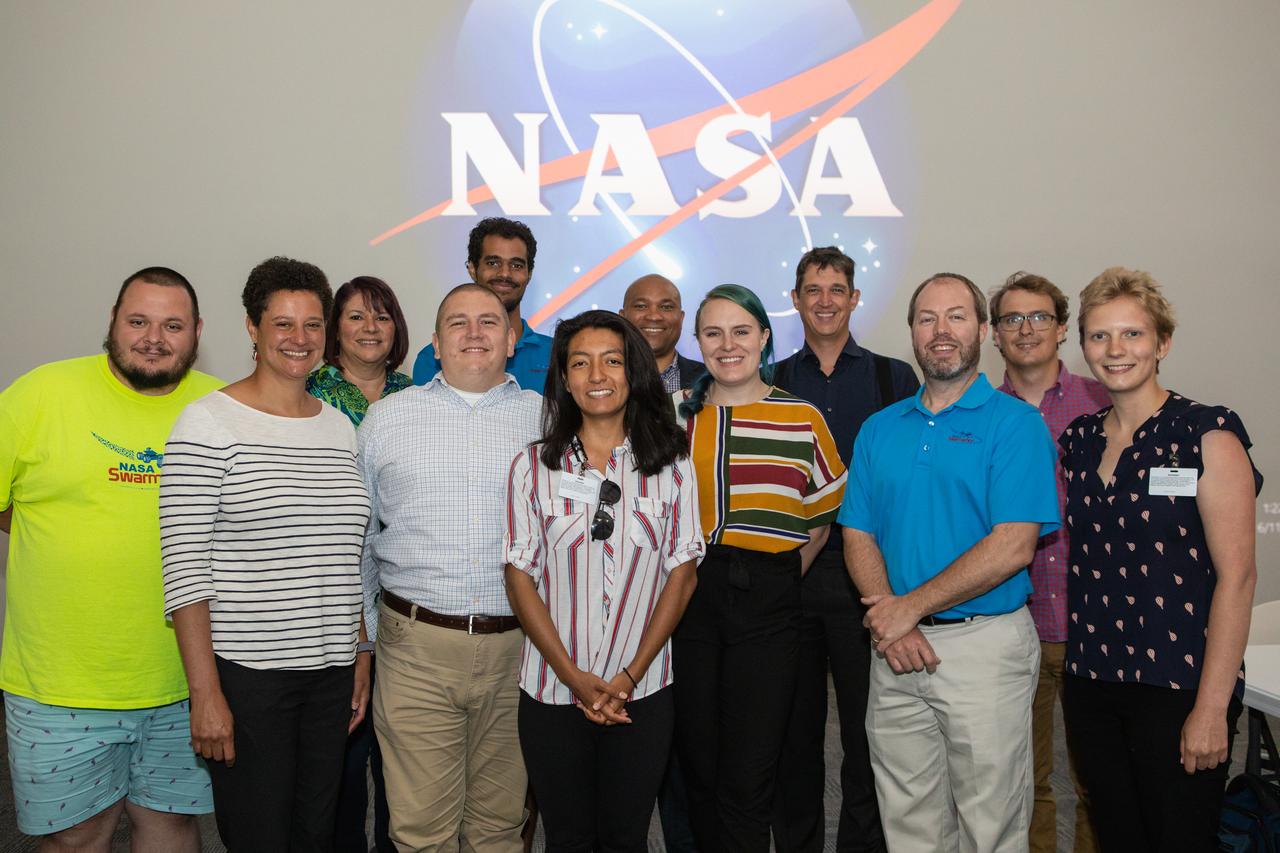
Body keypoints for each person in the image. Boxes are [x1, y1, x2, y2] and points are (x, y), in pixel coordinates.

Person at [839, 272, 1060, 852]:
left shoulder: (1016, 425)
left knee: (990, 823)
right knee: (909, 821)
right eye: (927, 319)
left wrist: (904, 610)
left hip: (983, 648)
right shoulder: (879, 429)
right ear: (911, 332)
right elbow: (857, 534)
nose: (941, 332)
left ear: (983, 331)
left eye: (956, 317)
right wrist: (896, 622)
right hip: (896, 652)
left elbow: (1013, 544)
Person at [0, 267, 220, 851]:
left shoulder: (223, 406)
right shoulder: (39, 394)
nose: (154, 337)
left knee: (173, 828)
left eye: (172, 325)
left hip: (187, 681)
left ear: (197, 332)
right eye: (138, 321)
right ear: (112, 323)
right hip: (61, 684)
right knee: (77, 838)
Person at [160, 256, 372, 852]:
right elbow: (183, 570)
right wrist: (206, 695)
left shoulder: (337, 426)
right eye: (282, 323)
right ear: (252, 329)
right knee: (260, 837)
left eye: (312, 324)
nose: (298, 339)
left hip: (330, 675)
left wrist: (359, 652)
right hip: (251, 679)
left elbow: (343, 554)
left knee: (316, 833)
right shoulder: (206, 424)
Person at [1059, 267, 1260, 852]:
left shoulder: (1206, 433)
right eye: (1100, 336)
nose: (1115, 350)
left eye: (1132, 334)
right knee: (1118, 838)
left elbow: (1238, 578)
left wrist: (1212, 708)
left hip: (1180, 684)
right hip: (1093, 680)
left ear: (1162, 343)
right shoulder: (1078, 440)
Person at [503, 309, 704, 851]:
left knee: (625, 836)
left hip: (643, 691)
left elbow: (682, 574)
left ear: (632, 372)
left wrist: (629, 676)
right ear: (564, 379)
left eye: (612, 361)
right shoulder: (532, 466)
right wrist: (572, 676)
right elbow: (519, 575)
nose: (597, 375)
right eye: (581, 363)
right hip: (551, 690)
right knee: (566, 837)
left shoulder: (674, 462)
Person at [359, 282, 542, 852]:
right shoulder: (385, 421)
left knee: (499, 828)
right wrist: (364, 643)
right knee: (420, 833)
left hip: (521, 650)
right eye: (457, 323)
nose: (474, 333)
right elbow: (361, 543)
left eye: (488, 321)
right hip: (414, 647)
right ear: (435, 344)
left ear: (511, 340)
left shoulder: (552, 421)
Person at [673, 283, 847, 853]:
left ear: (765, 338)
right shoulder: (673, 421)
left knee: (752, 767)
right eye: (713, 333)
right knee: (698, 760)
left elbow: (820, 518)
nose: (728, 345)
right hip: (687, 598)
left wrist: (776, 579)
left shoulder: (801, 417)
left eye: (741, 331)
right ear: (697, 342)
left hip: (770, 598)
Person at [770, 247, 917, 853]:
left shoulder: (894, 378)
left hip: (871, 582)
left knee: (871, 737)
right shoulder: (772, 379)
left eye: (837, 289)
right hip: (793, 579)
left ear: (855, 298)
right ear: (797, 299)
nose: (825, 299)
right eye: (813, 289)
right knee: (793, 737)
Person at [989, 271, 1108, 853]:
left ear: (1062, 329)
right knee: (1023, 780)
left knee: (1099, 781)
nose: (1026, 329)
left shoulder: (1105, 400)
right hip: (1015, 624)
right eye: (1012, 318)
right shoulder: (979, 413)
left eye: (1039, 317)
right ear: (994, 334)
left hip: (1100, 626)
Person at [308, 275, 412, 853]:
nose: (370, 328)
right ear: (333, 330)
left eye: (381, 316)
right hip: (329, 587)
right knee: (340, 761)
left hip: (401, 591)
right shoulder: (308, 395)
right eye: (354, 317)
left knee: (399, 759)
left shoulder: (417, 395)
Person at [411, 217, 553, 392]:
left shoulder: (556, 355)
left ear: (529, 274)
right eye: (493, 263)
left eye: (516, 265)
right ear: (472, 269)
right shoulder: (432, 359)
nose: (505, 274)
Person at [618, 273, 706, 392]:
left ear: (681, 318)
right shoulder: (603, 378)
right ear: (622, 317)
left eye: (666, 307)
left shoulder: (710, 379)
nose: (654, 317)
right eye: (641, 306)